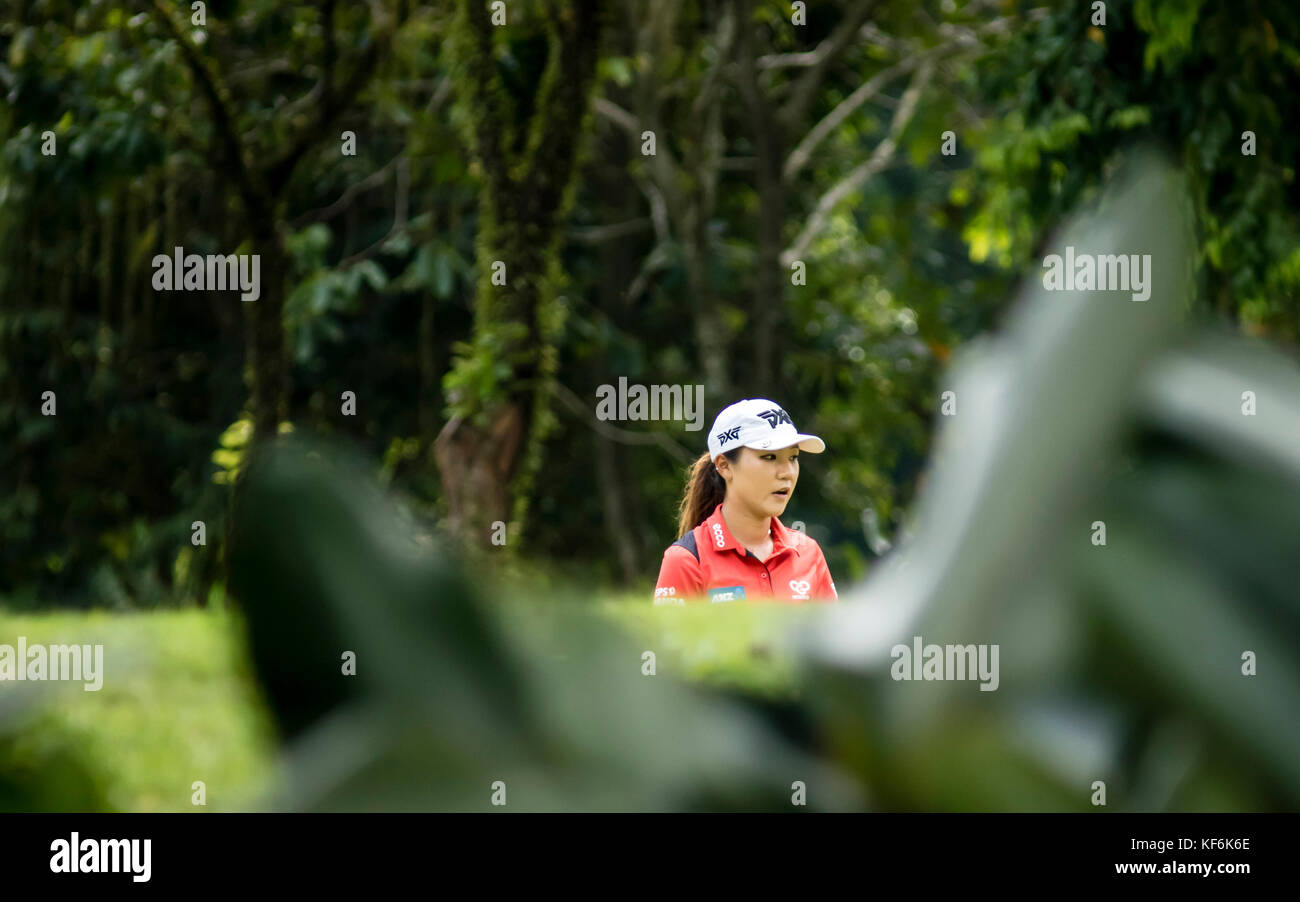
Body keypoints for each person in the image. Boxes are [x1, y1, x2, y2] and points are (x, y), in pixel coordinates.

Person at [653, 398, 838, 604]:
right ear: (724, 466)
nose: (787, 472)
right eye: (769, 457)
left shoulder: (808, 552)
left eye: (793, 458)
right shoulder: (686, 560)